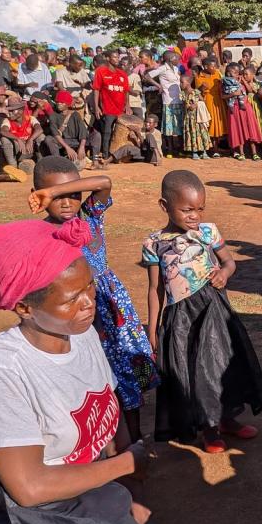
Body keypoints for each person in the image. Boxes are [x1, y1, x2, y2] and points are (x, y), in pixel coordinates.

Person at [0, 217, 170, 524]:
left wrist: (134, 509)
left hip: (98, 505)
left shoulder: (83, 335)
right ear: (24, 308)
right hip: (42, 522)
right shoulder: (4, 371)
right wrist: (127, 466)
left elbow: (109, 424)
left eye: (89, 286)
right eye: (71, 298)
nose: (89, 302)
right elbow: (30, 487)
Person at [28, 157, 161, 440]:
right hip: (74, 313)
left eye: (73, 194)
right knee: (89, 376)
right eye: (57, 197)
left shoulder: (90, 217)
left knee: (125, 370)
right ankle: (100, 440)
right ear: (37, 194)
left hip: (110, 309)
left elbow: (104, 182)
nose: (67, 203)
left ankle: (135, 439)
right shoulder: (42, 234)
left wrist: (55, 191)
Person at [142, 170, 262, 453]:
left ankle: (227, 419)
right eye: (187, 210)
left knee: (221, 366)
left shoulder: (208, 232)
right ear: (164, 205)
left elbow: (229, 262)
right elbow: (155, 289)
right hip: (181, 319)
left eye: (200, 209)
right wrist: (152, 329)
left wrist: (224, 274)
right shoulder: (154, 243)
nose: (195, 216)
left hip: (213, 311)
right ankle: (209, 429)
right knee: (195, 372)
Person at [92, 50, 130, 166]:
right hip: (107, 109)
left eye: (118, 57)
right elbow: (96, 90)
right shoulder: (101, 71)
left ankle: (116, 155)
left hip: (120, 109)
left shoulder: (122, 74)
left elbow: (126, 91)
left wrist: (127, 105)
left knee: (119, 133)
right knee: (107, 132)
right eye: (115, 57)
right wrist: (96, 107)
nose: (117, 59)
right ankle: (105, 156)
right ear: (108, 59)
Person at [222, 62, 262, 161]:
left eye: (238, 72)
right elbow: (222, 96)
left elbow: (249, 90)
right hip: (234, 109)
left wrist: (243, 81)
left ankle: (254, 153)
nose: (237, 74)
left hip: (245, 108)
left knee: (250, 129)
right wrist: (233, 94)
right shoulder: (225, 83)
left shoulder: (241, 81)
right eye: (234, 72)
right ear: (228, 73)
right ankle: (241, 153)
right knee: (238, 130)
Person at [146, 51, 183, 155]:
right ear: (170, 59)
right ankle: (170, 149)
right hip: (168, 101)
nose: (178, 60)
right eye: (176, 58)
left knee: (179, 125)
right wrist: (158, 85)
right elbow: (147, 76)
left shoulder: (176, 68)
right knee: (169, 126)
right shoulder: (162, 68)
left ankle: (180, 148)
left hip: (179, 100)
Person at [44, 90, 88, 164]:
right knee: (48, 139)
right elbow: (55, 134)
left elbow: (83, 131)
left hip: (76, 141)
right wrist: (67, 148)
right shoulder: (53, 115)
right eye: (58, 102)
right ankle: (58, 162)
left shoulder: (75, 115)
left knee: (96, 135)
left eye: (62, 102)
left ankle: (95, 160)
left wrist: (82, 147)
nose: (59, 104)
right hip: (63, 141)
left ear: (68, 104)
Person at [0, 99, 44, 169]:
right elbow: (3, 131)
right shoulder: (7, 120)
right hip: (18, 151)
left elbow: (39, 129)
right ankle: (13, 167)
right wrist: (18, 139)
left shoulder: (30, 118)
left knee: (41, 136)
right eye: (9, 111)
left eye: (12, 111)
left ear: (21, 111)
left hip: (31, 149)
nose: (9, 113)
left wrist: (30, 139)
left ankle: (40, 163)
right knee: (4, 139)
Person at [195, 57, 229, 149]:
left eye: (215, 66)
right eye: (212, 67)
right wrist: (201, 88)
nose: (215, 68)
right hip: (208, 103)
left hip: (219, 102)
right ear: (206, 67)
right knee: (211, 124)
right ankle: (214, 148)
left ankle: (223, 145)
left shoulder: (217, 74)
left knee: (222, 123)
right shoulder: (199, 77)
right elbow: (197, 92)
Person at [180, 74, 212, 159]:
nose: (180, 84)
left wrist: (196, 104)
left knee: (201, 133)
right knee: (192, 134)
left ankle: (204, 152)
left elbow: (202, 101)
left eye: (182, 82)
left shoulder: (196, 92)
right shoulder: (182, 94)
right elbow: (183, 104)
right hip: (189, 119)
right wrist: (188, 106)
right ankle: (194, 152)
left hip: (198, 118)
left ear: (188, 83)